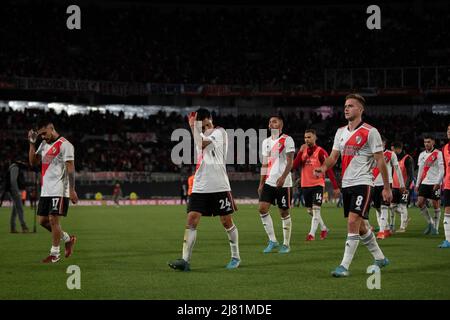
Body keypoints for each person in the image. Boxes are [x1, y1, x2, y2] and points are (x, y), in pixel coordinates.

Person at [315, 93, 392, 277]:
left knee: (352, 222)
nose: (346, 108)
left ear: (360, 110)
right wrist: (323, 167)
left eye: (350, 105)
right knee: (362, 226)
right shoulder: (340, 132)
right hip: (347, 185)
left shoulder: (370, 132)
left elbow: (380, 161)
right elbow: (333, 157)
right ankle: (380, 258)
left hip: (363, 183)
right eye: (345, 106)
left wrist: (387, 187)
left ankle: (344, 266)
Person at [168, 108, 240, 271]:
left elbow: (202, 144)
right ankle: (185, 261)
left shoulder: (219, 132)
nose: (206, 126)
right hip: (201, 185)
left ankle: (235, 257)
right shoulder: (198, 136)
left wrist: (193, 126)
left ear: (211, 120)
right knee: (191, 220)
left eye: (207, 122)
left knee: (226, 221)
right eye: (203, 124)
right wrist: (195, 128)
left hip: (219, 185)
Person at [28, 119, 78, 263]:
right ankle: (68, 239)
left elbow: (70, 168)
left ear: (51, 128)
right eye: (40, 135)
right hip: (46, 190)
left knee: (53, 219)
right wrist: (32, 143)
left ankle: (55, 253)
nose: (43, 136)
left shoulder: (65, 145)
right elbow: (33, 162)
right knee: (43, 222)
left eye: (44, 133)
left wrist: (72, 190)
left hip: (60, 189)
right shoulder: (43, 144)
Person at [292, 129, 340, 241]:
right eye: (305, 138)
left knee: (316, 209)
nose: (307, 139)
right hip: (305, 185)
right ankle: (323, 228)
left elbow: (329, 169)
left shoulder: (321, 152)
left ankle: (311, 234)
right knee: (310, 211)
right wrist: (299, 152)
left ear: (315, 137)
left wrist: (335, 186)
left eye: (309, 137)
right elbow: (294, 166)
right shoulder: (302, 151)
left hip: (318, 184)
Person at [258, 115, 295, 253]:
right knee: (262, 209)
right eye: (270, 122)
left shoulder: (287, 139)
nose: (271, 124)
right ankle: (272, 240)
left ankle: (286, 244)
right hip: (269, 182)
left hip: (284, 183)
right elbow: (265, 163)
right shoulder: (266, 142)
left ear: (281, 124)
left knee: (284, 212)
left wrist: (283, 177)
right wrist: (261, 183)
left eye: (274, 121)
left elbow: (290, 161)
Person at [372, 137, 405, 240]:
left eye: (380, 142)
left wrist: (402, 184)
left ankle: (381, 232)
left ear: (384, 143)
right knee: (377, 208)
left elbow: (397, 169)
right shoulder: (371, 154)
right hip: (373, 185)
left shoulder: (390, 154)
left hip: (386, 184)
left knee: (384, 207)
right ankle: (386, 228)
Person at [415, 136, 444, 235]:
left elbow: (442, 169)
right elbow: (420, 171)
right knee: (419, 203)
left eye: (428, 142)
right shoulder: (421, 155)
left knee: (436, 204)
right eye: (425, 142)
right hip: (425, 182)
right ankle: (430, 223)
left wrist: (438, 182)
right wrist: (417, 183)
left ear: (433, 142)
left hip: (435, 182)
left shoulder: (438, 153)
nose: (426, 144)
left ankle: (435, 228)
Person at [391, 141, 414, 233]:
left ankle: (402, 227)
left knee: (403, 205)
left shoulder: (407, 158)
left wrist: (406, 187)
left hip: (404, 187)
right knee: (392, 206)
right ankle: (402, 219)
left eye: (393, 150)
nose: (392, 152)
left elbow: (410, 175)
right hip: (394, 186)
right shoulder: (393, 159)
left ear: (398, 149)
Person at [1, 161, 30, 233]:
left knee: (15, 209)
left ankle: (12, 228)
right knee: (20, 209)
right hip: (14, 191)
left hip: (12, 190)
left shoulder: (13, 166)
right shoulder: (15, 167)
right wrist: (16, 191)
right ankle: (24, 227)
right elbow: (13, 181)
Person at [439, 124, 450, 248]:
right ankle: (448, 240)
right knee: (447, 211)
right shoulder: (445, 148)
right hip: (448, 184)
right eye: (447, 130)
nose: (449, 132)